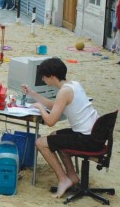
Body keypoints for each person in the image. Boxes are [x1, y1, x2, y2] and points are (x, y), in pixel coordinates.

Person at [22, 58, 100, 198]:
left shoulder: (64, 92)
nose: (43, 79)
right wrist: (33, 94)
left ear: (52, 77)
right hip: (95, 134)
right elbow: (56, 105)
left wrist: (40, 108)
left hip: (87, 139)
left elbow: (51, 121)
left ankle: (63, 179)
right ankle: (72, 176)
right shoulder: (73, 85)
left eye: (44, 76)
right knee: (54, 136)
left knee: (41, 143)